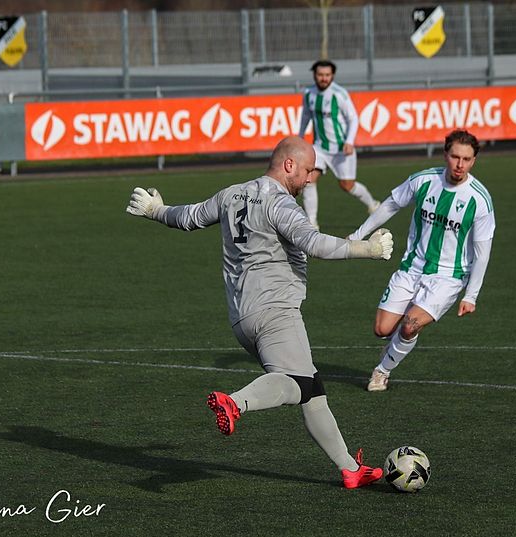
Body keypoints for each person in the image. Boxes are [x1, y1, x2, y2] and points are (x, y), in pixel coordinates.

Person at [125, 136, 392, 489]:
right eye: (308, 171)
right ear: (289, 165)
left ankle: (350, 469)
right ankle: (235, 403)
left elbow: (189, 217)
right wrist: (367, 249)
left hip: (242, 317)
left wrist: (155, 210)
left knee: (312, 388)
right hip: (275, 310)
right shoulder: (280, 204)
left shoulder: (231, 194)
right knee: (298, 384)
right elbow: (315, 244)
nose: (310, 179)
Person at [347, 130, 495, 392]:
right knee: (382, 329)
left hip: (449, 276)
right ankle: (393, 345)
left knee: (409, 326)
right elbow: (391, 204)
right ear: (445, 154)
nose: (460, 165)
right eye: (455, 157)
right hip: (411, 268)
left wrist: (471, 295)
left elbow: (482, 251)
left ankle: (382, 371)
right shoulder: (423, 180)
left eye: (467, 159)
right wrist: (358, 236)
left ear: (474, 160)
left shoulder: (480, 200)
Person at [298, 60, 380, 230]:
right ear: (314, 75)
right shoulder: (309, 93)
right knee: (309, 180)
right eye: (320, 75)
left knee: (347, 186)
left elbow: (353, 118)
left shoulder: (339, 94)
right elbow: (306, 115)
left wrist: (349, 141)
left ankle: (373, 204)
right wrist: (300, 136)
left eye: (327, 75)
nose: (324, 78)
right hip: (319, 147)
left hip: (341, 149)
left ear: (332, 75)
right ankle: (311, 223)